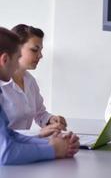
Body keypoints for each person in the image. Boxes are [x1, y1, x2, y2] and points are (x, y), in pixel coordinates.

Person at [0, 26, 79, 165]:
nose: (40, 55)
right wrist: (52, 148)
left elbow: (10, 136)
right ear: (5, 59)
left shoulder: (29, 80)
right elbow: (5, 151)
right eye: (18, 57)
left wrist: (54, 141)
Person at [0, 24, 66, 137]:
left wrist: (51, 120)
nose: (40, 55)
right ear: (17, 48)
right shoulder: (2, 84)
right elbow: (4, 139)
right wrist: (38, 136)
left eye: (40, 50)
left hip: (22, 148)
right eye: (34, 50)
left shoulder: (30, 80)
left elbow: (39, 113)